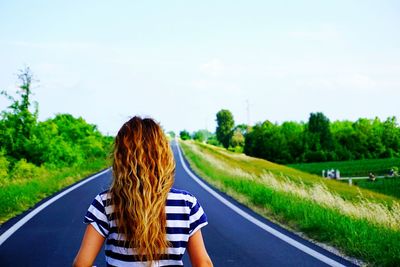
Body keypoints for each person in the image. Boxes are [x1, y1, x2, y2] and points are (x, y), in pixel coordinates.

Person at [73, 117, 213, 267]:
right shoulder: (187, 204)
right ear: (163, 155)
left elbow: (81, 264)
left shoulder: (106, 203)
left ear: (121, 157)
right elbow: (203, 264)